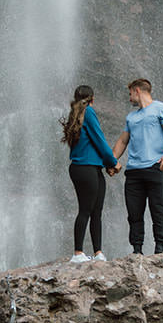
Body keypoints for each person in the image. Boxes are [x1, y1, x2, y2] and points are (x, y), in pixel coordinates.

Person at [112, 77, 163, 255]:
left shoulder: (162, 108)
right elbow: (123, 140)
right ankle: (137, 249)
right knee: (134, 211)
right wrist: (112, 160)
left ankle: (160, 247)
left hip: (156, 166)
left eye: (130, 93)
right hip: (133, 170)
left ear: (137, 90)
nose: (129, 98)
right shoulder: (131, 117)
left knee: (159, 207)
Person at [61, 84, 119, 263]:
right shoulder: (88, 112)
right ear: (92, 99)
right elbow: (99, 140)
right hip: (86, 168)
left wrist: (106, 164)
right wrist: (113, 163)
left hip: (89, 167)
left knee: (96, 211)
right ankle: (78, 253)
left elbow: (91, 144)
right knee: (86, 210)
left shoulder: (76, 114)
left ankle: (98, 253)